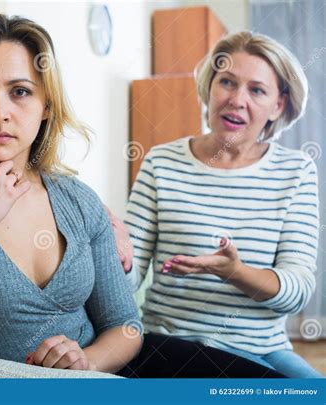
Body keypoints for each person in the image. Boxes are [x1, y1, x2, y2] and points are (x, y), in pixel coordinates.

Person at [0, 12, 282, 378]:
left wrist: (85, 363)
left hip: (103, 375)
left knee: (277, 389)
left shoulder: (78, 199)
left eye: (20, 91)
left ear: (46, 105)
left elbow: (126, 327)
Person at [113, 31, 323, 378]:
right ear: (210, 87)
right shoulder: (161, 163)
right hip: (171, 343)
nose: (236, 100)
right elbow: (129, 276)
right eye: (227, 82)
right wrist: (116, 255)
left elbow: (297, 290)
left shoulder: (296, 171)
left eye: (256, 90)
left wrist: (235, 272)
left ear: (278, 105)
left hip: (262, 348)